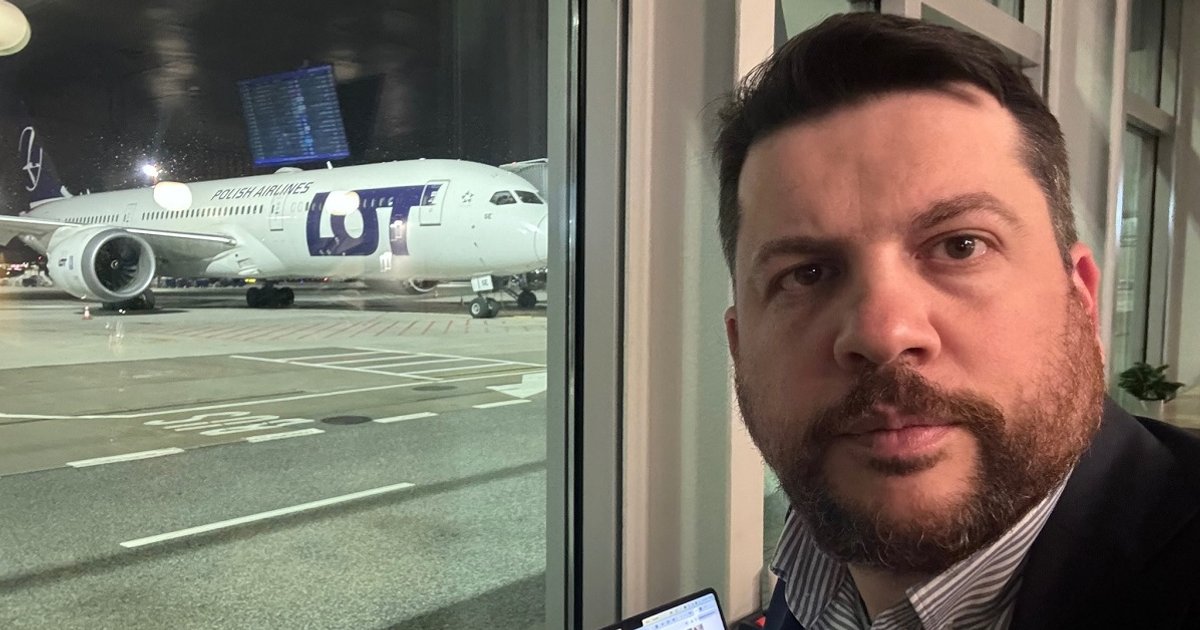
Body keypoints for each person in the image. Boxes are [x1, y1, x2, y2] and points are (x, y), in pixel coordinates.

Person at [713, 12, 1200, 629]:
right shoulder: (812, 567)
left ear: (1081, 298)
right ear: (740, 346)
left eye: (960, 246)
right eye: (806, 274)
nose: (883, 334)